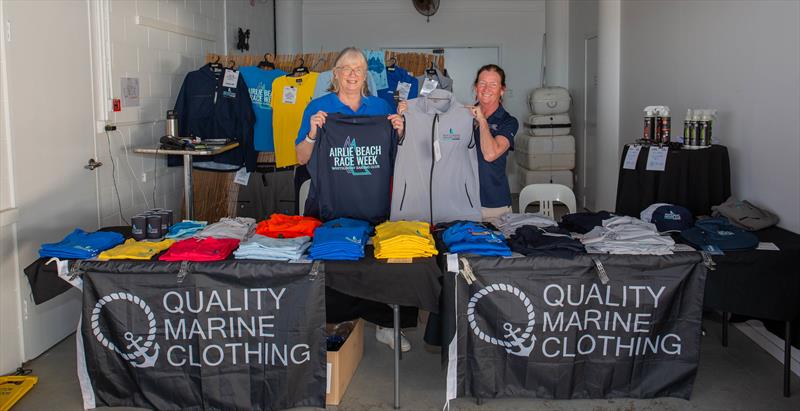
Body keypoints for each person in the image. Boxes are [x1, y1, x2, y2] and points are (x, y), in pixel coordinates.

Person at [294, 47, 413, 352]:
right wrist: (311, 133)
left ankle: (385, 325)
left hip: (372, 204)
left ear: (365, 76)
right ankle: (332, 325)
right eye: (345, 68)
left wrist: (399, 132)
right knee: (333, 267)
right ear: (335, 75)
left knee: (378, 267)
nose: (351, 74)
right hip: (331, 204)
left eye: (358, 69)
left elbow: (396, 154)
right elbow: (301, 156)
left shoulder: (379, 107)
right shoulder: (320, 107)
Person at [465, 64, 519, 220]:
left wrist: (481, 120)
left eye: (493, 84)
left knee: (496, 244)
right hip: (462, 201)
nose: (486, 88)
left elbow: (490, 154)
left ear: (502, 90)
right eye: (482, 83)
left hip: (494, 205)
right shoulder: (463, 116)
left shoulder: (508, 121)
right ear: (476, 87)